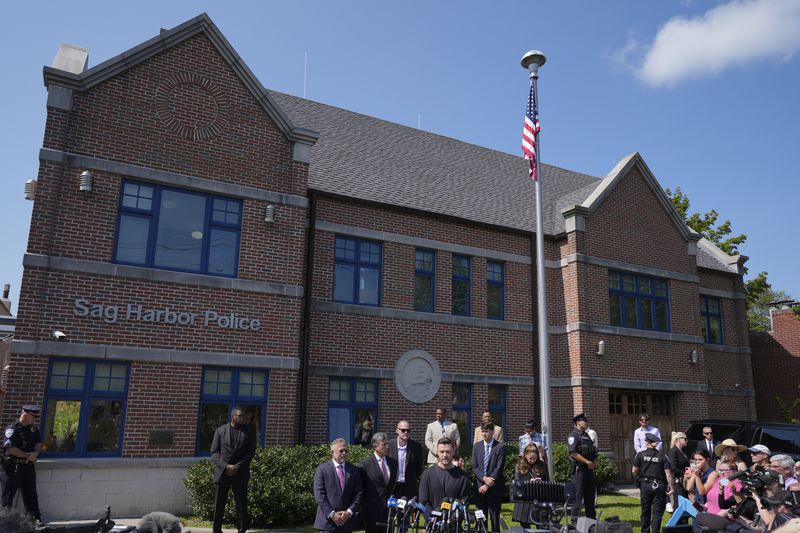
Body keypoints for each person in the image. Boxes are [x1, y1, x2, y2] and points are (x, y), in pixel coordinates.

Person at [210, 406, 257, 533]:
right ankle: (216, 530)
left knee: (241, 504)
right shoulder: (220, 431)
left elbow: (250, 452)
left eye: (243, 415)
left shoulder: (249, 431)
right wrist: (225, 466)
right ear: (233, 416)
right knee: (219, 504)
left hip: (240, 473)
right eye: (240, 415)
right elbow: (214, 453)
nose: (242, 418)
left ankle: (241, 530)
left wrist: (237, 466)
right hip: (222, 473)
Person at [2, 405, 44, 527]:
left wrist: (36, 453)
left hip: (28, 468)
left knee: (31, 495)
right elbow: (11, 449)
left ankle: (35, 521)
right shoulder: (12, 429)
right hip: (13, 468)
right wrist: (27, 456)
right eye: (33, 417)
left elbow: (38, 443)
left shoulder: (33, 430)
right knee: (8, 498)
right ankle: (5, 524)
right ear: (25, 415)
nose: (34, 420)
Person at [313, 438, 364, 533]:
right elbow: (319, 495)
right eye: (341, 451)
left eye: (346, 451)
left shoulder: (354, 470)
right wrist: (332, 514)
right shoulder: (322, 469)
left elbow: (358, 493)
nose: (344, 453)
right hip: (327, 523)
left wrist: (349, 512)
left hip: (347, 522)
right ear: (332, 452)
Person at [632, 433, 675, 533]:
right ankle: (655, 531)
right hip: (659, 486)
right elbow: (668, 474)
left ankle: (645, 531)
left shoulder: (640, 455)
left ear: (647, 443)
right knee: (657, 512)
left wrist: (639, 476)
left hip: (645, 485)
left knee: (645, 511)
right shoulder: (663, 456)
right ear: (655, 444)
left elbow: (634, 471)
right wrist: (672, 488)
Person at [358, 433, 397, 533]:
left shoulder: (393, 463)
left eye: (388, 443)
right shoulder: (365, 465)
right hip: (371, 511)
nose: (387, 447)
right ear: (375, 446)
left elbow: (391, 486)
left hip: (389, 511)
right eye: (384, 444)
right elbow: (360, 488)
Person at [418, 438, 470, 512]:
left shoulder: (462, 476)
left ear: (453, 452)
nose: (445, 455)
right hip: (432, 521)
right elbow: (423, 501)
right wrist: (432, 517)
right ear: (437, 452)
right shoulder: (427, 474)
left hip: (453, 521)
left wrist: (451, 520)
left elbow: (464, 501)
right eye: (442, 452)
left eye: (448, 452)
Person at [472, 423, 506, 533]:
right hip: (480, 486)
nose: (484, 434)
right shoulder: (477, 446)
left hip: (494, 487)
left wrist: (488, 483)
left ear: (492, 432)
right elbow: (475, 467)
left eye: (486, 431)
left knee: (494, 516)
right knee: (481, 516)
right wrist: (484, 479)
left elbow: (499, 468)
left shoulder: (499, 447)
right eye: (483, 431)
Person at [568, 413, 597, 522]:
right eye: (584, 420)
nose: (586, 422)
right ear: (578, 422)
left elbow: (593, 451)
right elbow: (573, 453)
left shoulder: (587, 435)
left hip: (589, 471)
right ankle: (574, 522)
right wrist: (587, 462)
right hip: (579, 471)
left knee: (590, 497)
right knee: (577, 498)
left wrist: (594, 461)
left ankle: (591, 521)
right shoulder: (573, 435)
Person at [512, 443, 549, 529]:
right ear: (525, 455)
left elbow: (548, 482)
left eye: (535, 458)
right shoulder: (519, 466)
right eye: (530, 458)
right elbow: (517, 483)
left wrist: (541, 481)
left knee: (542, 527)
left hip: (539, 499)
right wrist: (528, 482)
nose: (532, 460)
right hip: (524, 501)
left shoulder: (542, 465)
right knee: (525, 528)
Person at [388, 420, 424, 499]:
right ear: (397, 430)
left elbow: (419, 467)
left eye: (408, 430)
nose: (406, 432)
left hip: (409, 487)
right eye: (403, 430)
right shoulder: (389, 445)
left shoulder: (416, 447)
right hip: (392, 486)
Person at [666, 431, 690, 512]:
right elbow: (673, 467)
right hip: (678, 482)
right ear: (679, 439)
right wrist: (684, 474)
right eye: (685, 439)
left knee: (685, 505)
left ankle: (684, 524)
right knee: (679, 505)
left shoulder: (683, 451)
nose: (687, 441)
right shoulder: (673, 451)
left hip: (684, 481)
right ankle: (676, 524)